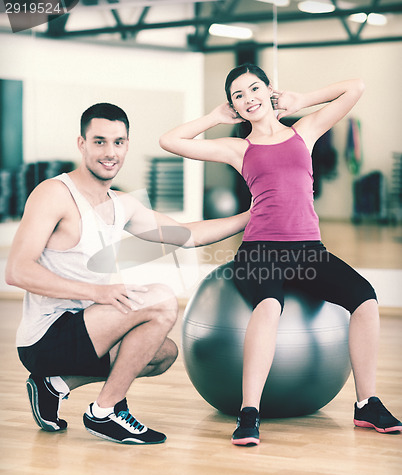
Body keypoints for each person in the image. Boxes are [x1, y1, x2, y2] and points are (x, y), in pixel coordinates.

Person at [159, 63, 402, 445]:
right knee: (270, 306)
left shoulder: (304, 132)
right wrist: (213, 117)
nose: (248, 99)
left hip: (310, 251)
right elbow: (170, 141)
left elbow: (355, 86)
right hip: (260, 250)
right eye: (238, 96)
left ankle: (366, 404)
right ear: (234, 108)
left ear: (268, 90)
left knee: (366, 298)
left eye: (254, 89)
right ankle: (249, 413)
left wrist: (302, 100)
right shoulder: (238, 148)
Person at [5, 102, 251, 445]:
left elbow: (187, 235)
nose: (110, 152)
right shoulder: (54, 194)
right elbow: (17, 271)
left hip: (89, 327)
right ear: (82, 144)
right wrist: (98, 292)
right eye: (100, 141)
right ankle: (104, 412)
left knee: (162, 354)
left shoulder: (122, 204)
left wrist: (255, 214)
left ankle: (54, 385)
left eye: (118, 142)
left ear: (127, 145)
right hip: (45, 337)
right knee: (162, 300)